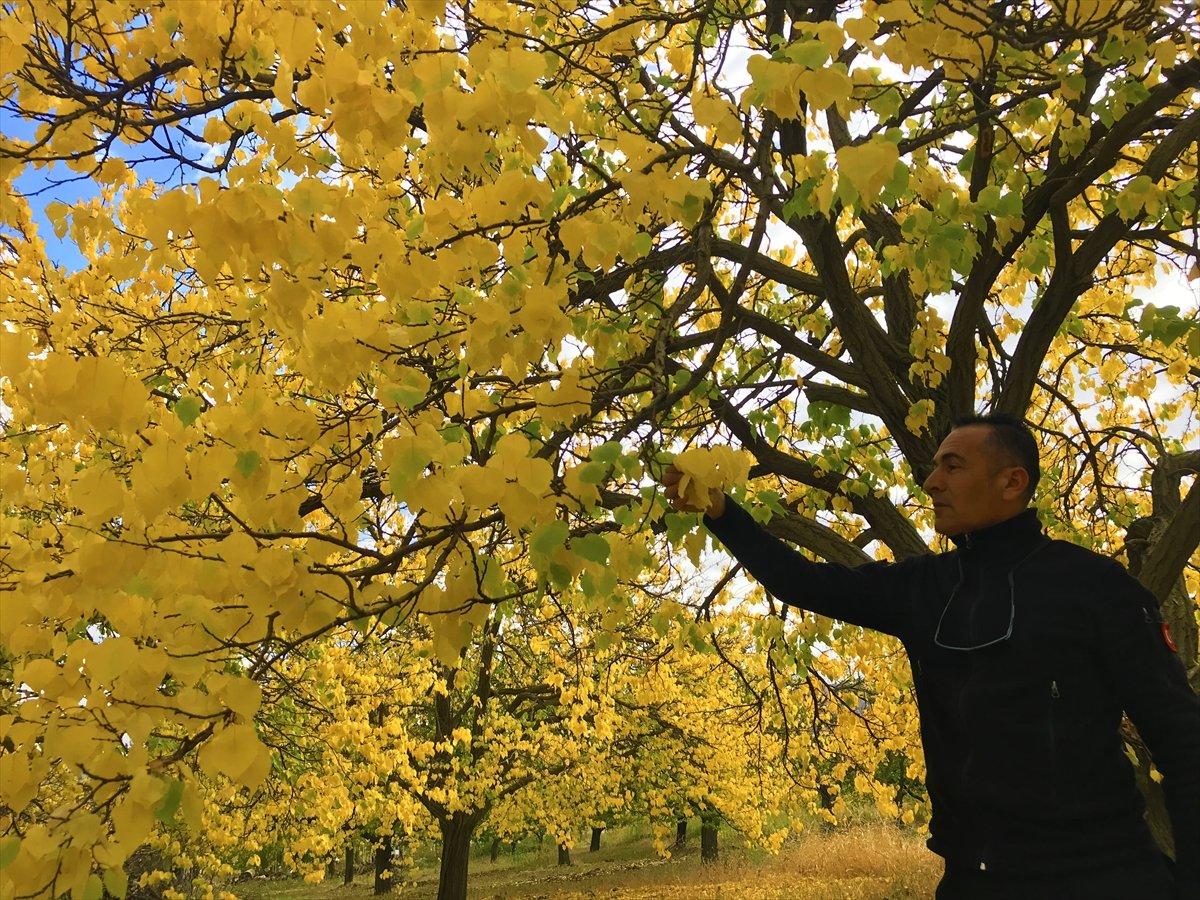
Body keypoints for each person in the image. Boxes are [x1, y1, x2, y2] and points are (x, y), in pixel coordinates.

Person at [658, 413, 1199, 899]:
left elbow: (1182, 738)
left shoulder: (1098, 587)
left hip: (1102, 876)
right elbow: (804, 582)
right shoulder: (923, 587)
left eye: (953, 466)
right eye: (935, 466)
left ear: (1012, 483)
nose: (931, 481)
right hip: (972, 879)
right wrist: (724, 514)